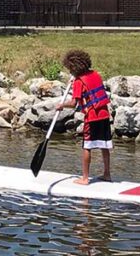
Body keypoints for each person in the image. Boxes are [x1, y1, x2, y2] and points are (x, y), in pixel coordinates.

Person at [55, 49, 112, 185]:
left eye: (69, 68)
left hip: (92, 117)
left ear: (73, 68)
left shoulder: (79, 82)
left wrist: (61, 105)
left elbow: (74, 103)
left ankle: (85, 178)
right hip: (104, 114)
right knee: (104, 145)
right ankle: (107, 174)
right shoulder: (96, 74)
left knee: (87, 146)